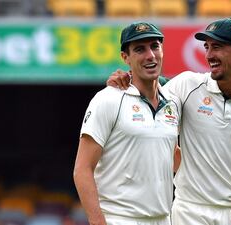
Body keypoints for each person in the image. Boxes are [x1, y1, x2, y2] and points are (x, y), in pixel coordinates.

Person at [107, 18, 231, 225]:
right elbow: (150, 90)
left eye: (217, 47)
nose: (209, 55)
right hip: (189, 211)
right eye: (207, 47)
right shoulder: (187, 86)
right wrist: (127, 79)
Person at [73, 22, 180, 225]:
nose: (150, 55)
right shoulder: (108, 99)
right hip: (120, 219)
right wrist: (98, 222)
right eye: (140, 49)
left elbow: (171, 154)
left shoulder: (172, 101)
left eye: (155, 46)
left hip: (163, 219)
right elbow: (82, 169)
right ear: (125, 58)